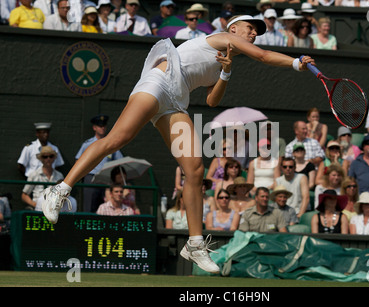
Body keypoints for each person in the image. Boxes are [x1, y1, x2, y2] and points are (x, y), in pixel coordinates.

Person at [40, 14, 315, 274]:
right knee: (118, 138)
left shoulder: (225, 58)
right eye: (250, 28)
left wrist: (226, 73)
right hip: (160, 80)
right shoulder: (223, 38)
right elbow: (265, 56)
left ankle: (195, 244)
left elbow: (211, 101)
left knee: (195, 169)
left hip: (176, 101)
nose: (254, 33)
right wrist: (295, 63)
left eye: (257, 31)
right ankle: (59, 191)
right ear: (233, 29)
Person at [75, 115, 124, 213]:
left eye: (104, 126)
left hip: (107, 179)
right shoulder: (88, 144)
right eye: (100, 126)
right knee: (89, 208)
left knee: (108, 208)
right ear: (94, 128)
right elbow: (78, 161)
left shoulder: (111, 143)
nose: (102, 128)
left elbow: (120, 161)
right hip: (91, 177)